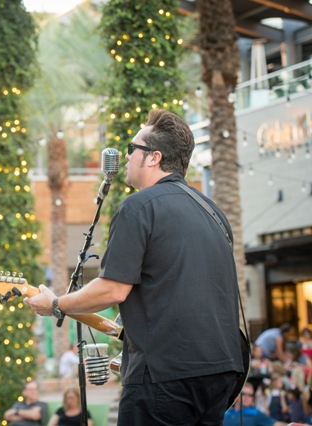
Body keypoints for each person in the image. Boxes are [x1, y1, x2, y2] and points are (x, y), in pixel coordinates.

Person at [25, 109, 244, 425]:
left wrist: (56, 304)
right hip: (221, 373)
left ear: (154, 157)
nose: (126, 156)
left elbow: (113, 290)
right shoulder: (213, 211)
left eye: (132, 149)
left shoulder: (138, 207)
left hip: (165, 375)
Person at [223, 383, 291, 426]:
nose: (246, 397)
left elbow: (276, 424)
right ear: (236, 396)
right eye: (243, 394)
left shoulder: (255, 413)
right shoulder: (226, 412)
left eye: (250, 395)